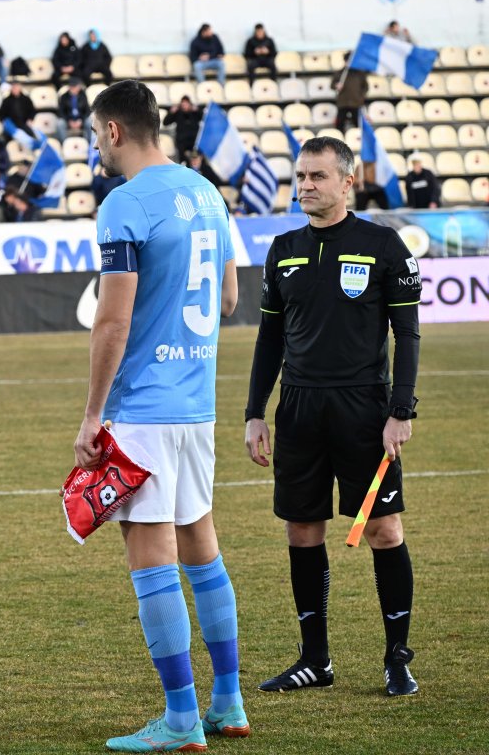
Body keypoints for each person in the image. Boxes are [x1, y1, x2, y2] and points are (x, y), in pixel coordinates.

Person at [73, 79, 242, 752]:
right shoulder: (207, 192)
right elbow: (228, 298)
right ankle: (227, 701)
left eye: (94, 135)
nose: (95, 147)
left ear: (113, 131)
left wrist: (92, 415)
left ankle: (180, 719)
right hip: (196, 403)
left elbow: (111, 321)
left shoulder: (123, 204)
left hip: (142, 408)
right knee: (203, 547)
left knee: (151, 560)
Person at [243, 135, 422, 698]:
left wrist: (401, 410)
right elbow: (269, 338)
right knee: (302, 529)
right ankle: (315, 659)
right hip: (298, 407)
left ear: (347, 181)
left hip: (365, 408)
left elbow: (407, 334)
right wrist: (255, 412)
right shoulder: (284, 247)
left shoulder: (383, 244)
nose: (305, 187)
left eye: (317, 177)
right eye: (300, 177)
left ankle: (397, 658)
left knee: (383, 529)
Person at [333, 55, 369, 133]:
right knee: (339, 125)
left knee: (358, 125)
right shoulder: (340, 73)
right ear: (345, 61)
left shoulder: (360, 74)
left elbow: (365, 87)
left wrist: (361, 97)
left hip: (356, 102)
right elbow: (332, 85)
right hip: (343, 103)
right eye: (348, 60)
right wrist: (336, 85)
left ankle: (357, 140)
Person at [163, 96, 202, 163]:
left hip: (194, 142)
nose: (185, 106)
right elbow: (165, 123)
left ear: (190, 104)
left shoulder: (195, 113)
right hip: (182, 143)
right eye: (183, 104)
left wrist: (198, 111)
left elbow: (204, 119)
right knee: (183, 160)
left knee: (197, 159)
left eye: (187, 104)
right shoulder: (178, 113)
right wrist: (171, 113)